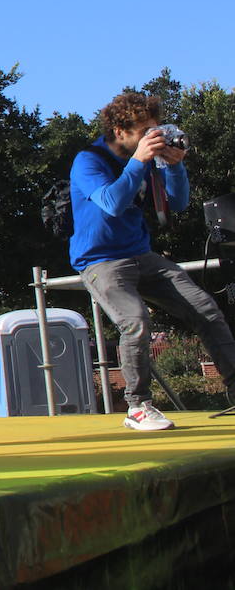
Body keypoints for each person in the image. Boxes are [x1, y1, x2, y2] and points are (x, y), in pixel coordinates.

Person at [70, 91, 235, 431]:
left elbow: (176, 203)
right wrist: (139, 161)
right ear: (120, 131)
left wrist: (175, 166)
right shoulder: (89, 160)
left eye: (155, 129)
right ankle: (138, 407)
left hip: (140, 254)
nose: (153, 137)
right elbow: (112, 203)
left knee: (204, 308)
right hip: (100, 261)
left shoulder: (148, 159)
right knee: (135, 321)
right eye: (145, 131)